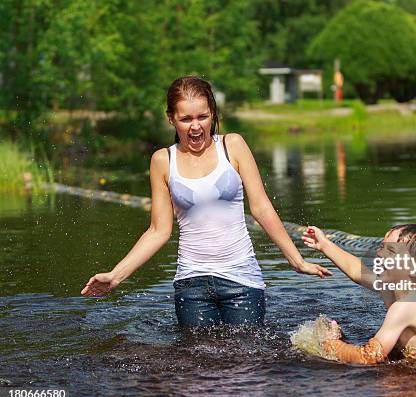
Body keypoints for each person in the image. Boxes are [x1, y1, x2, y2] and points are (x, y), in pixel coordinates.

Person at [81, 76, 331, 326]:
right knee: (197, 363)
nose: (196, 127)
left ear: (212, 113)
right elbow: (159, 231)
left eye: (202, 117)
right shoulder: (162, 161)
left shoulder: (233, 146)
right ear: (171, 118)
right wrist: (116, 275)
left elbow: (262, 208)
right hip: (192, 285)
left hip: (242, 280)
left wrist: (296, 261)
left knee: (247, 360)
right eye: (186, 119)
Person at [301, 224, 416, 365]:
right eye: (382, 246)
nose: (379, 254)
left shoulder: (408, 305)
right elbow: (357, 271)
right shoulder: (393, 288)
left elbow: (369, 356)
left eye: (391, 250)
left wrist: (331, 343)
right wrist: (324, 245)